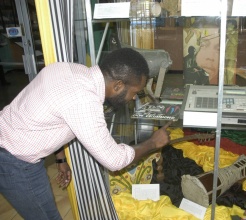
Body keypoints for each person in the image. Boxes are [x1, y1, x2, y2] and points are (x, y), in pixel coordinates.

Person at [0, 48, 171, 219]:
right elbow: (115, 160)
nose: (134, 98)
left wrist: (60, 158)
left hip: (14, 148)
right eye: (135, 92)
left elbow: (52, 117)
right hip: (14, 162)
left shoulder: (70, 69)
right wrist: (153, 143)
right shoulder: (84, 100)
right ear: (118, 85)